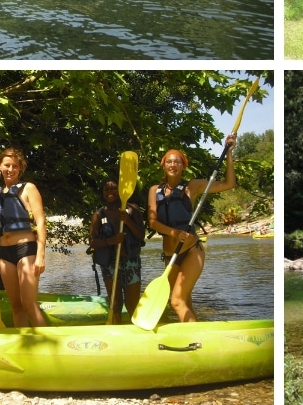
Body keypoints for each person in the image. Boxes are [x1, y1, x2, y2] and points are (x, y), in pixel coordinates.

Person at [147, 134, 237, 322]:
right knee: (185, 301)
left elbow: (229, 184)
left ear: (183, 165)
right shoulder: (154, 190)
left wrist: (229, 152)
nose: (173, 165)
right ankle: (195, 337)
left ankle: (196, 340)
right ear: (163, 165)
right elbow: (152, 222)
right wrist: (173, 232)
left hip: (191, 251)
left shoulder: (192, 187)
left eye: (177, 162)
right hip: (170, 256)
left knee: (176, 301)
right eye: (169, 161)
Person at [0, 147, 46, 327]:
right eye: (7, 165)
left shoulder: (28, 188)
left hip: (26, 249)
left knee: (29, 304)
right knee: (16, 305)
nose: (10, 169)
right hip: (5, 253)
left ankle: (47, 345)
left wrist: (40, 256)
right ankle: (23, 344)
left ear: (20, 169)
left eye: (14, 166)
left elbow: (40, 223)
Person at [89, 177, 144, 324]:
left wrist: (128, 221)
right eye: (106, 189)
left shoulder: (132, 210)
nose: (110, 192)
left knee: (133, 303)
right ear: (103, 193)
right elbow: (92, 242)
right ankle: (116, 331)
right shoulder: (99, 215)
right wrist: (110, 241)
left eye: (113, 188)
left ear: (120, 191)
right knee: (116, 304)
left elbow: (141, 236)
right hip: (110, 265)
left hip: (130, 263)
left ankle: (137, 333)